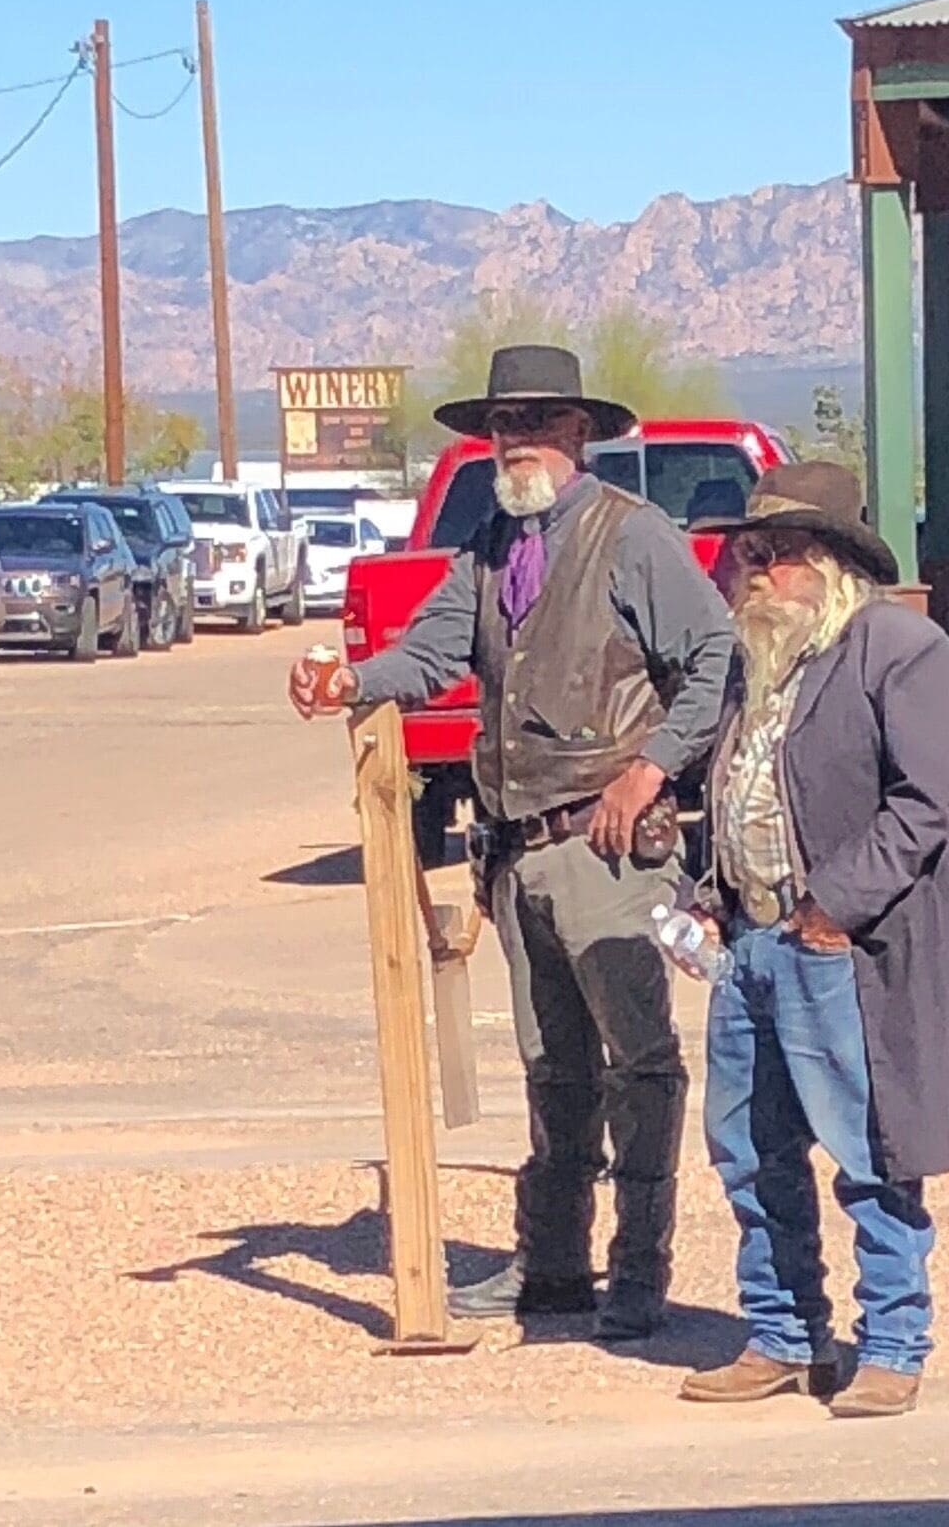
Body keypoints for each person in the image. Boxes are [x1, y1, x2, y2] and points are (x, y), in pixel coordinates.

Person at [289, 343, 736, 1337]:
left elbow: (714, 656)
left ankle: (639, 1271)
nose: (518, 441)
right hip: (517, 848)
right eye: (504, 426)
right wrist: (348, 681)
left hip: (611, 845)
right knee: (553, 1065)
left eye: (538, 424)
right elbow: (434, 649)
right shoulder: (492, 547)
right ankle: (554, 1267)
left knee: (640, 1060)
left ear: (580, 435)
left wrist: (650, 765)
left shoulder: (634, 536)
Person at [675, 463, 949, 1420]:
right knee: (749, 1150)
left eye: (774, 553)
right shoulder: (755, 655)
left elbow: (927, 798)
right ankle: (781, 1333)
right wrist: (708, 893)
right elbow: (737, 792)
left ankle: (892, 1342)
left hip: (839, 946)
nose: (753, 569)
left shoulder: (898, 646)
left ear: (832, 560)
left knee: (870, 1151)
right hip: (748, 941)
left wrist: (831, 908)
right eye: (747, 552)